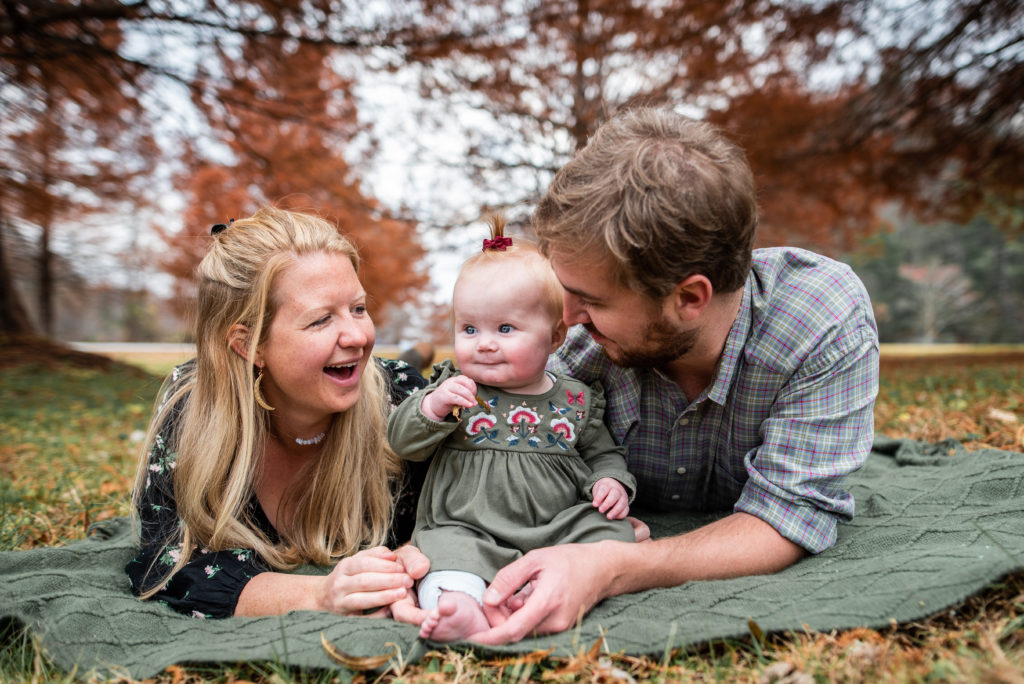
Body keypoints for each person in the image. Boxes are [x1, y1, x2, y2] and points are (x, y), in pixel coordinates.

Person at [471, 107, 880, 644]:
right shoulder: (575, 342)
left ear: (689, 298)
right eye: (563, 288)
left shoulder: (821, 322)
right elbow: (482, 430)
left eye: (591, 300)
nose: (566, 319)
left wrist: (610, 568)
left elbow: (787, 517)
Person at [125, 207, 431, 620]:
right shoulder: (192, 413)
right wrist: (324, 595)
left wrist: (414, 563)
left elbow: (475, 514)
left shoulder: (406, 402)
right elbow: (168, 567)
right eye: (321, 320)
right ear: (249, 345)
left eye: (358, 308)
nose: (359, 336)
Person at [386, 216, 637, 641]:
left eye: (505, 329)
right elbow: (403, 442)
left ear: (555, 336)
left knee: (609, 532)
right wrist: (433, 405)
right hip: (470, 525)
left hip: (555, 525)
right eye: (469, 329)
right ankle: (459, 606)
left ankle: (542, 591)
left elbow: (602, 452)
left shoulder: (576, 399)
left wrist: (611, 480)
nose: (483, 343)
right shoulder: (455, 388)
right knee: (444, 554)